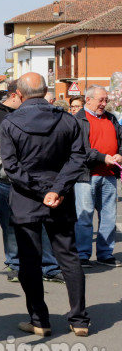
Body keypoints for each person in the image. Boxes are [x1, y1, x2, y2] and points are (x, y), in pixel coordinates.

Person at [0, 72, 89, 337]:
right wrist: (56, 189)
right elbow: (78, 158)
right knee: (69, 258)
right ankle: (80, 320)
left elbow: (11, 167)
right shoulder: (68, 120)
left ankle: (39, 319)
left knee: (29, 261)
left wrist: (42, 191)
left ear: (20, 94)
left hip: (28, 199)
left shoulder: (10, 122)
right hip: (59, 198)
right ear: (46, 91)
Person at [0, 82, 65, 283]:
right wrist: (4, 168)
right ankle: (15, 265)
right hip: (7, 182)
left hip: (35, 181)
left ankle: (49, 267)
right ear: (16, 95)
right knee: (10, 226)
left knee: (43, 224)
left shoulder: (28, 115)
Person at [73, 85, 122, 268]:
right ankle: (83, 254)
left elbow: (121, 141)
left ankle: (105, 253)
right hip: (86, 176)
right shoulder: (78, 120)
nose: (104, 103)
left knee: (109, 217)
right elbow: (78, 149)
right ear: (88, 100)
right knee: (84, 217)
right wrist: (102, 157)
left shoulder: (111, 118)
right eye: (100, 100)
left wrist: (120, 155)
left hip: (109, 175)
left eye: (106, 100)